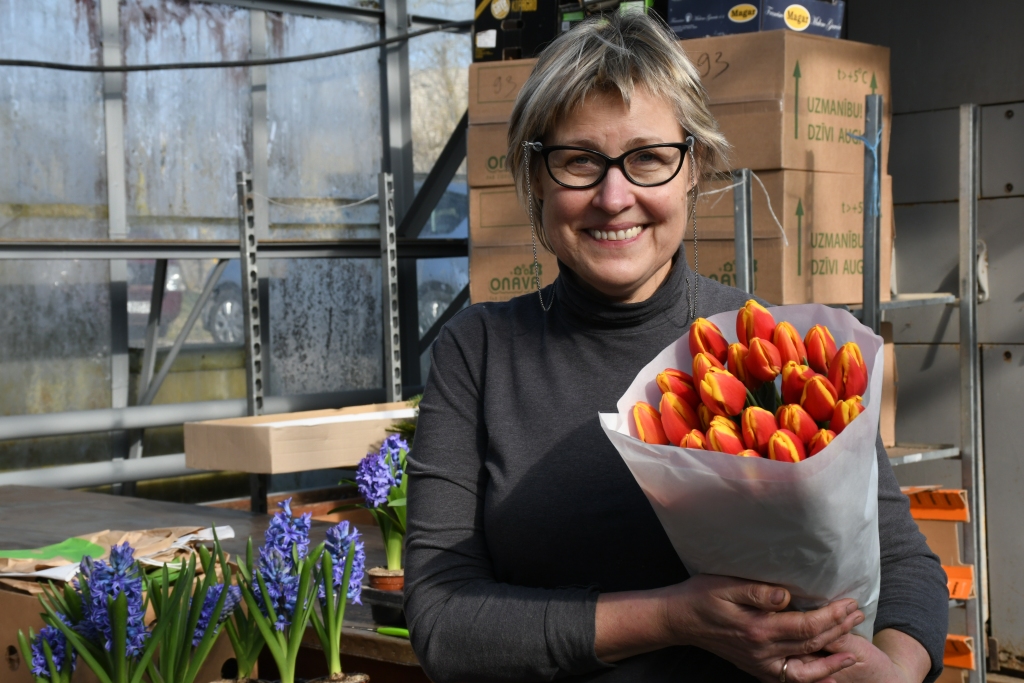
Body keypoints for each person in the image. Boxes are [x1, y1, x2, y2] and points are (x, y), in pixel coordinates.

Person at [405, 12, 948, 683]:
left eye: (648, 159)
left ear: (694, 168)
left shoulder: (769, 346)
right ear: (535, 178)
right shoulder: (479, 353)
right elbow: (442, 619)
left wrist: (893, 668)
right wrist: (675, 617)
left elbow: (905, 563)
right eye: (578, 161)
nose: (613, 196)